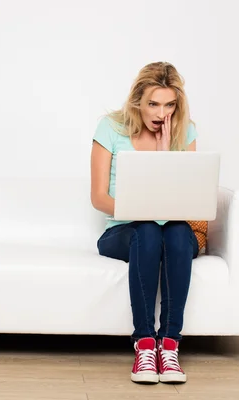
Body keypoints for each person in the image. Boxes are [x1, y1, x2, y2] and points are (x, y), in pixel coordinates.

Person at [90, 62, 199, 384]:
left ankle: (169, 344)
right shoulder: (110, 128)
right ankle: (145, 343)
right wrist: (143, 210)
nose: (161, 113)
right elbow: (99, 198)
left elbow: (187, 203)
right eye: (153, 103)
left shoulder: (185, 131)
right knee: (149, 229)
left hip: (172, 231)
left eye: (169, 105)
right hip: (123, 231)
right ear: (138, 101)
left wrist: (165, 156)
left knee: (177, 231)